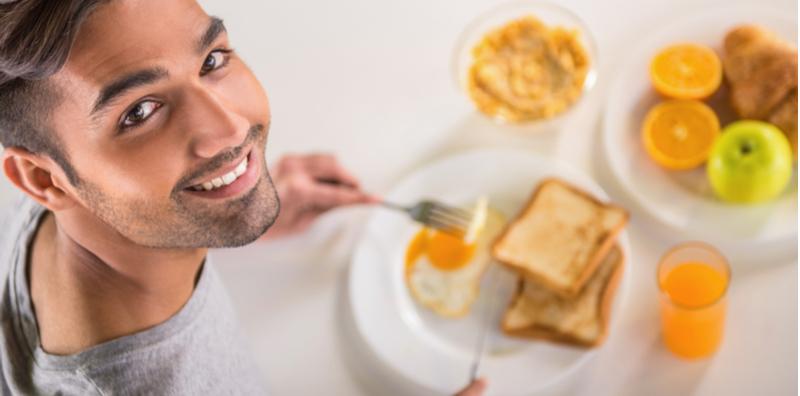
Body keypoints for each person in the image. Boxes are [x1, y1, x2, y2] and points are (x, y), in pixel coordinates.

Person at [0, 0, 486, 395]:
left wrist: (227, 202)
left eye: (211, 61)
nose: (230, 127)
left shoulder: (50, 202)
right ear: (44, 180)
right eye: (141, 112)